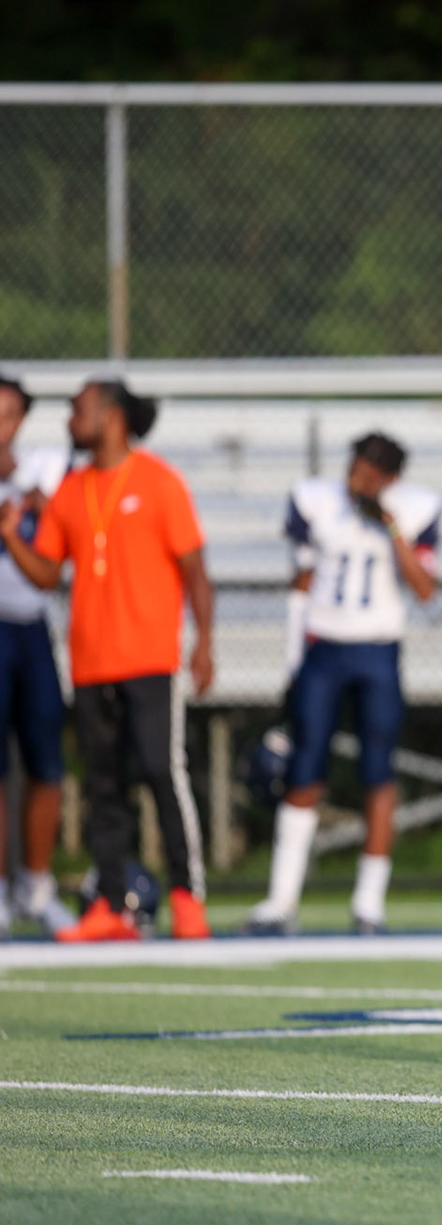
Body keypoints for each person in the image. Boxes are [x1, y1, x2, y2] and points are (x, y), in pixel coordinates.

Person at [0, 379, 216, 943]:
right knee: (102, 785)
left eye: (80, 409)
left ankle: (187, 896)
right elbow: (47, 573)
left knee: (160, 772)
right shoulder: (71, 490)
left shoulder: (159, 481)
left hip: (149, 656)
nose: (71, 418)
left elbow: (195, 568)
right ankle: (111, 905)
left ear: (112, 416)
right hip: (91, 661)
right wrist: (11, 537)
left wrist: (204, 641)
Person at [243, 432, 441, 936]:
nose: (360, 481)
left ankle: (369, 902)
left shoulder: (413, 510)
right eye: (357, 468)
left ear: (391, 479)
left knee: (378, 770)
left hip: (377, 648)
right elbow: (302, 583)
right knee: (305, 768)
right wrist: (293, 662)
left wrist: (390, 526)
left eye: (373, 474)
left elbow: (424, 588)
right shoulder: (317, 501)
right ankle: (282, 900)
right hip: (324, 649)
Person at [0, 376, 76, 937]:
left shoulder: (44, 470)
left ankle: (37, 885)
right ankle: (1, 889)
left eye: (7, 415)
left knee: (47, 763)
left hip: (32, 629)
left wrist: (39, 503)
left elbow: (70, 535)